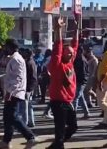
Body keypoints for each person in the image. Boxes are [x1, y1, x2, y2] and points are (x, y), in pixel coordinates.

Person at [0, 39, 36, 149]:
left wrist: (11, 92)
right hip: (12, 92)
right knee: (7, 117)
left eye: (5, 47)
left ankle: (30, 136)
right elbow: (11, 76)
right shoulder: (13, 59)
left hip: (15, 93)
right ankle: (6, 141)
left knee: (13, 117)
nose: (4, 49)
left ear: (10, 47)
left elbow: (18, 79)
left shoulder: (16, 59)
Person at [46, 17, 79, 149]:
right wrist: (58, 29)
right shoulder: (57, 64)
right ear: (63, 53)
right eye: (68, 53)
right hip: (58, 102)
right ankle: (58, 144)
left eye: (72, 54)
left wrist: (76, 29)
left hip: (68, 102)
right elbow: (58, 47)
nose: (71, 55)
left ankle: (56, 144)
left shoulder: (70, 62)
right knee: (59, 130)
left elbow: (75, 44)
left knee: (73, 126)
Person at [73, 46, 90, 119]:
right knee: (81, 97)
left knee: (76, 97)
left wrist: (80, 81)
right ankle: (86, 112)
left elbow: (83, 72)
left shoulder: (81, 60)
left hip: (81, 81)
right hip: (80, 80)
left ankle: (73, 114)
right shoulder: (80, 59)